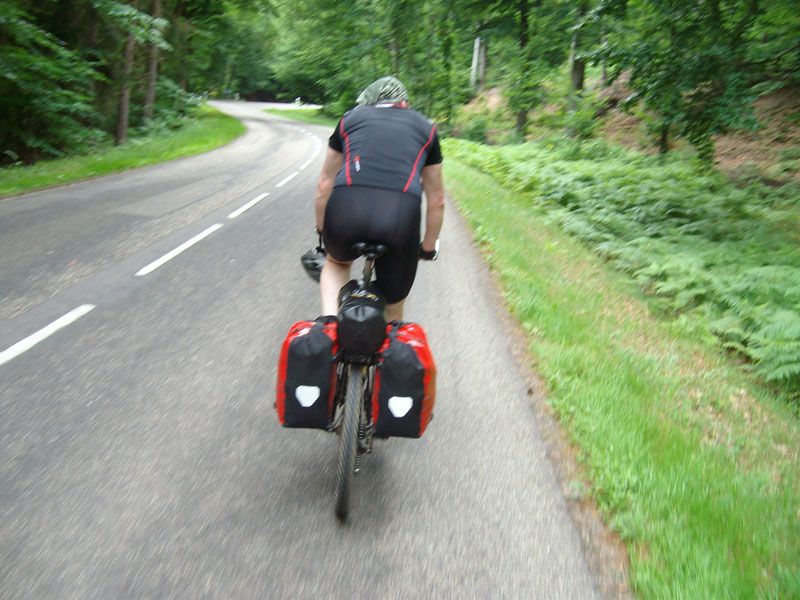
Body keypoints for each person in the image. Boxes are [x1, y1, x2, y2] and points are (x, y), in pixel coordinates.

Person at [312, 76, 445, 322]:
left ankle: (328, 324)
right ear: (404, 103)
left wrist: (323, 231)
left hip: (346, 210)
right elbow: (437, 199)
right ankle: (390, 337)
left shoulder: (350, 119)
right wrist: (428, 247)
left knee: (337, 263)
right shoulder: (427, 129)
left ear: (370, 103)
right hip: (399, 217)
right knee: (394, 306)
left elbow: (323, 185)